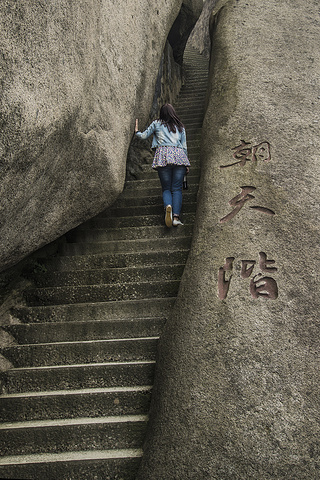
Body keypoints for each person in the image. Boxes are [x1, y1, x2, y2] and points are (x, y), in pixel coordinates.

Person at [135, 103, 190, 228]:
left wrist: (137, 132)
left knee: (166, 188)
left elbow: (143, 136)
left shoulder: (156, 124)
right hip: (179, 157)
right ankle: (176, 217)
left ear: (162, 113)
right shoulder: (180, 126)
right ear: (173, 113)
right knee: (177, 188)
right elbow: (185, 147)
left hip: (163, 156)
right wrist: (186, 163)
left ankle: (168, 206)